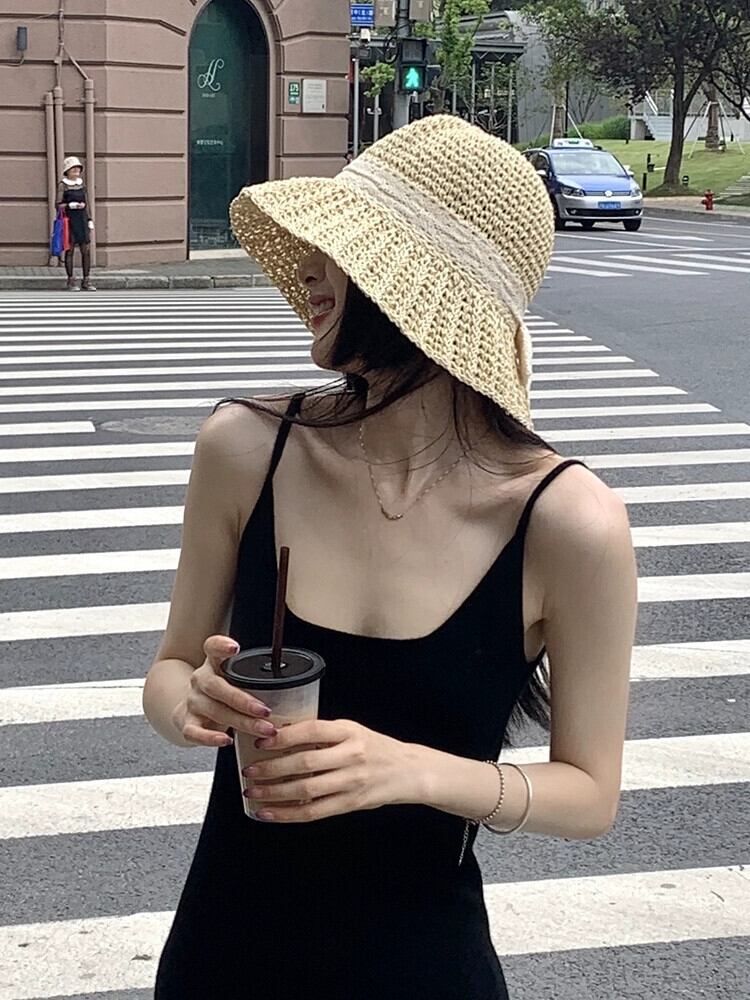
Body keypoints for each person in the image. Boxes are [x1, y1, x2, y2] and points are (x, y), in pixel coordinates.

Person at [143, 115, 637, 999]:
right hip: (224, 954)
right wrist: (191, 701)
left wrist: (411, 770)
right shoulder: (246, 448)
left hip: (424, 966)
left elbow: (590, 794)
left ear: (410, 282)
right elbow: (170, 668)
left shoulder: (569, 523)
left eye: (335, 247)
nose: (305, 267)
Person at [56, 156, 96, 291]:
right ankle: (71, 280)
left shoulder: (81, 184)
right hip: (70, 220)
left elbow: (87, 203)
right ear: (67, 171)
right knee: (70, 250)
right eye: (73, 168)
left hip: (82, 219)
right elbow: (58, 205)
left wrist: (89, 219)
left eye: (78, 168)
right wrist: (70, 205)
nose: (76, 171)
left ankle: (86, 279)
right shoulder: (63, 185)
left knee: (86, 250)